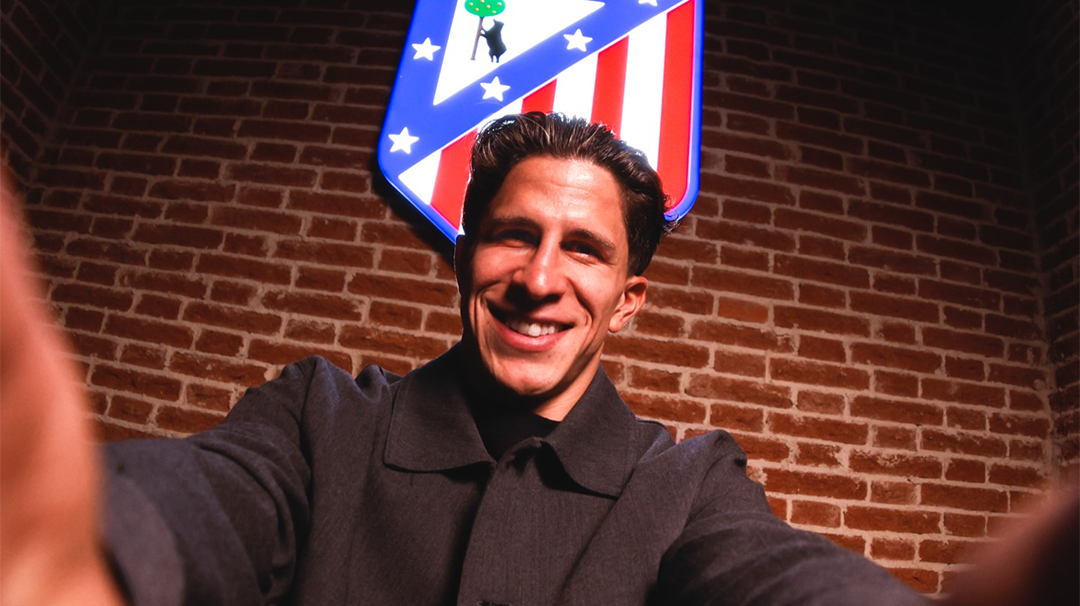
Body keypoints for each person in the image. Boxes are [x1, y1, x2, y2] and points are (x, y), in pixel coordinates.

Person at [0, 113, 1075, 606]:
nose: (541, 277)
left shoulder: (689, 484)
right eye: (514, 236)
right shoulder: (319, 417)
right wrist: (87, 554)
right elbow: (210, 498)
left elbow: (773, 575)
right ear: (465, 257)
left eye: (586, 250)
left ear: (628, 302)